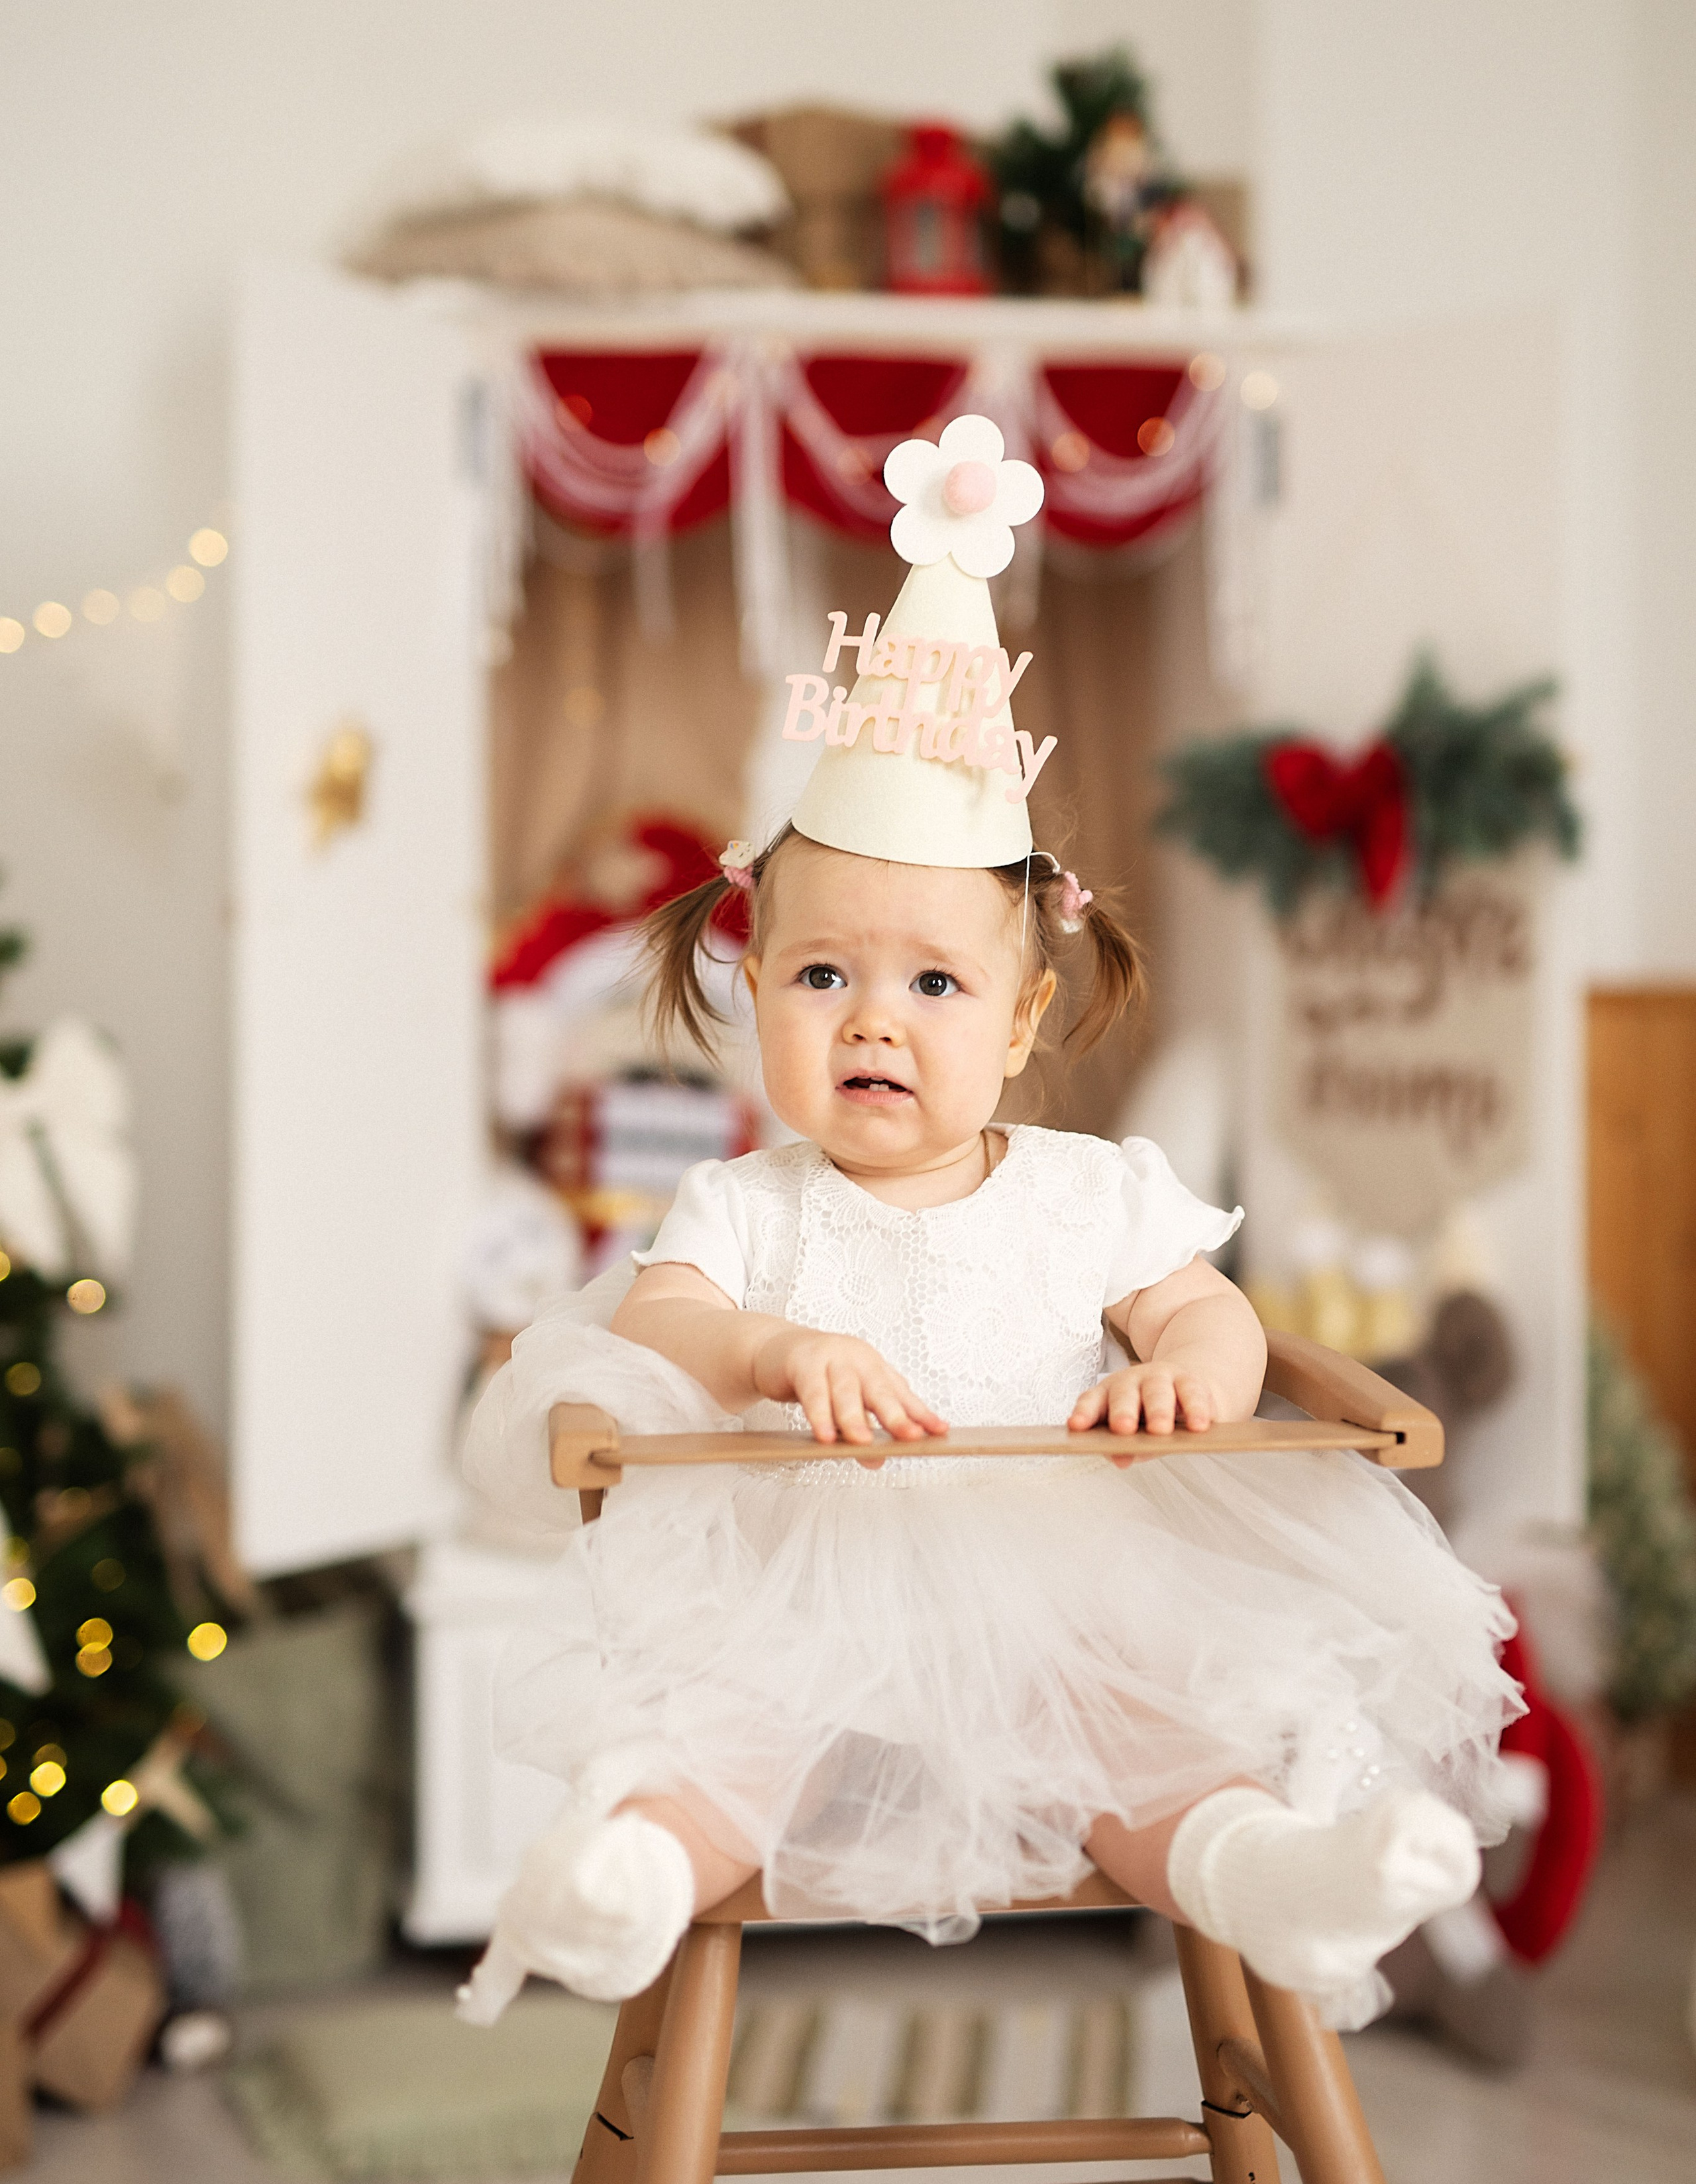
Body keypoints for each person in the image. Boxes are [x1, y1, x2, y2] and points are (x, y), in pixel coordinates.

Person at [460, 417, 1519, 2034]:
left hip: (1061, 1578)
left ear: (1023, 1019)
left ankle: (1271, 1875)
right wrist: (770, 1342)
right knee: (721, 1736)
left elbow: (1200, 1308)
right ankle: (631, 1876)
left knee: (1144, 1737)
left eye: (933, 983)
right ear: (756, 990)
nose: (871, 1021)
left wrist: (1193, 1371)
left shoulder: (1093, 1191)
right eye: (821, 976)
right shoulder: (745, 1203)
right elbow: (653, 1326)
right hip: (804, 1581)